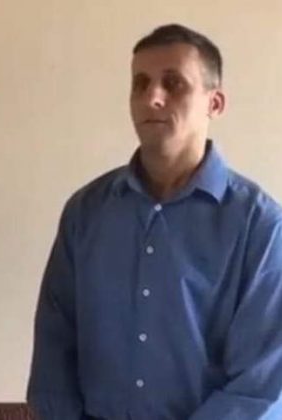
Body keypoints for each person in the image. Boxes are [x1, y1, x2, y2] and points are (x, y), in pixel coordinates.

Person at [27, 24, 282, 419]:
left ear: (215, 103)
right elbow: (54, 346)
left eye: (173, 83)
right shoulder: (86, 212)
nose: (152, 98)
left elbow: (260, 382)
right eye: (140, 83)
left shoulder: (260, 226)